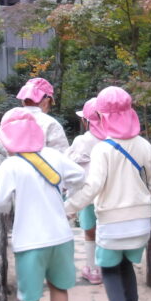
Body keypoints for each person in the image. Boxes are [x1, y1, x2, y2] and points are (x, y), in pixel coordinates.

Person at [63, 86, 151, 301]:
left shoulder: (103, 149)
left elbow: (92, 188)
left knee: (108, 269)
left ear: (103, 117)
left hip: (113, 223)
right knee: (124, 265)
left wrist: (68, 207)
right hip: (141, 223)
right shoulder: (145, 146)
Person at [0, 107, 85, 301]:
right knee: (59, 286)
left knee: (30, 299)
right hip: (61, 237)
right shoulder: (53, 155)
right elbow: (80, 176)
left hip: (30, 242)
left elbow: (0, 202)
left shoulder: (10, 165)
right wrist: (63, 190)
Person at [65, 97, 106, 285]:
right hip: (108, 195)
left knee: (90, 232)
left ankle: (94, 269)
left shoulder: (82, 140)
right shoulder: (116, 140)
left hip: (87, 195)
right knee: (106, 232)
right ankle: (109, 268)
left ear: (85, 120)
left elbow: (69, 164)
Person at [0, 77, 69, 155]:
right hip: (41, 162)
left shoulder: (11, 116)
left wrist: (14, 155)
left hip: (12, 162)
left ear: (23, 100)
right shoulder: (50, 123)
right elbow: (61, 153)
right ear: (46, 102)